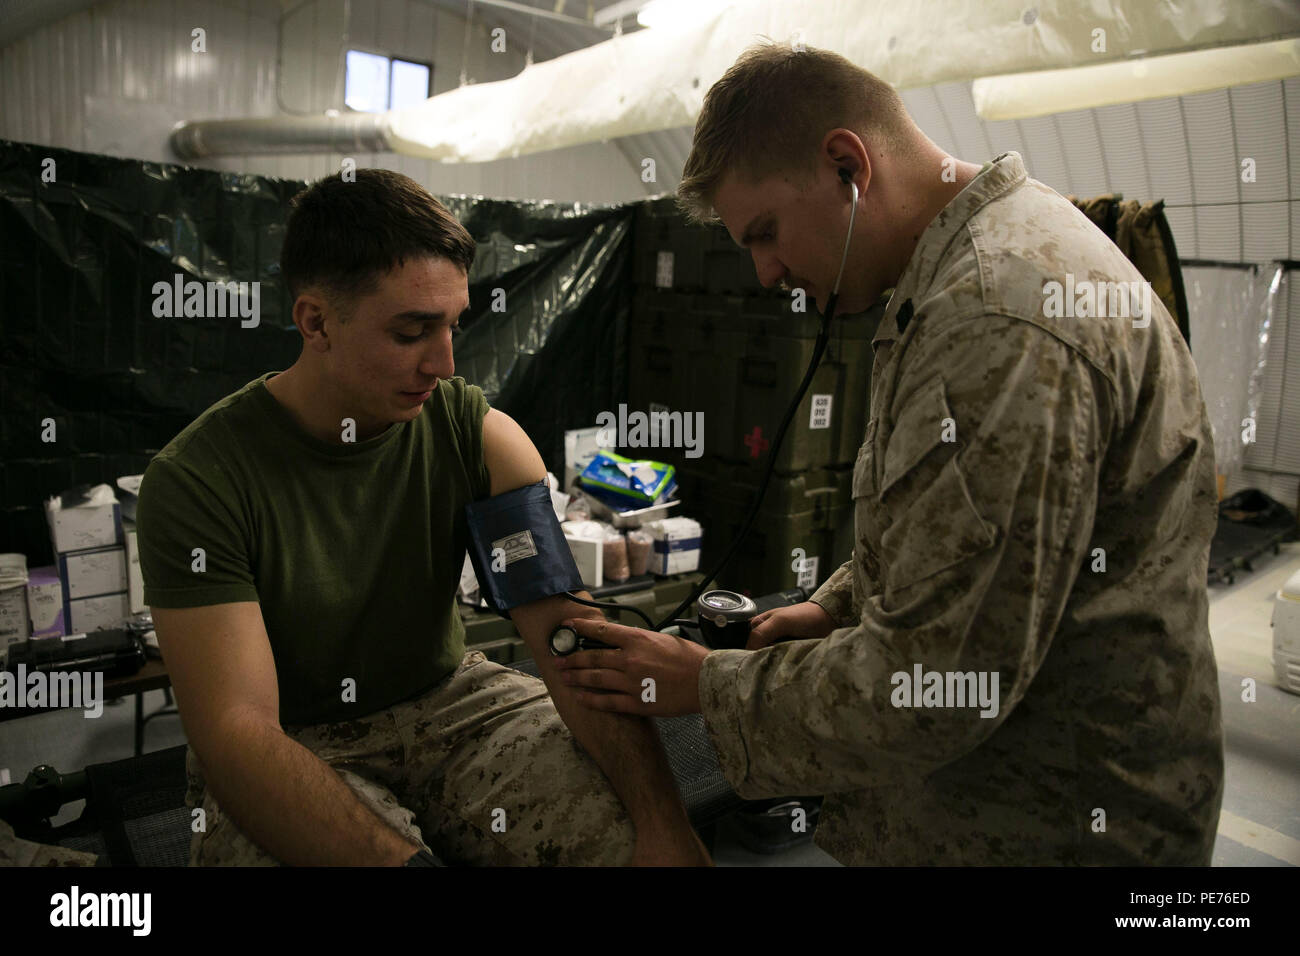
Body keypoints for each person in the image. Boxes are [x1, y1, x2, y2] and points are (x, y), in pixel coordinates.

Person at [555, 42, 1224, 865]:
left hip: (1046, 827)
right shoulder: (968, 269)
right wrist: (832, 609)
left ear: (847, 164)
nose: (765, 273)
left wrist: (705, 685)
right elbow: (954, 538)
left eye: (765, 233)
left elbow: (934, 686)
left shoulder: (994, 319)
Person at [136, 168, 709, 866]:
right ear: (315, 321)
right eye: (412, 331)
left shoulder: (480, 440)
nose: (443, 362)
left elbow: (570, 642)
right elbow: (237, 731)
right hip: (294, 740)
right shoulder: (199, 482)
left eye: (452, 326)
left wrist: (664, 828)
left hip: (454, 707)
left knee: (623, 844)